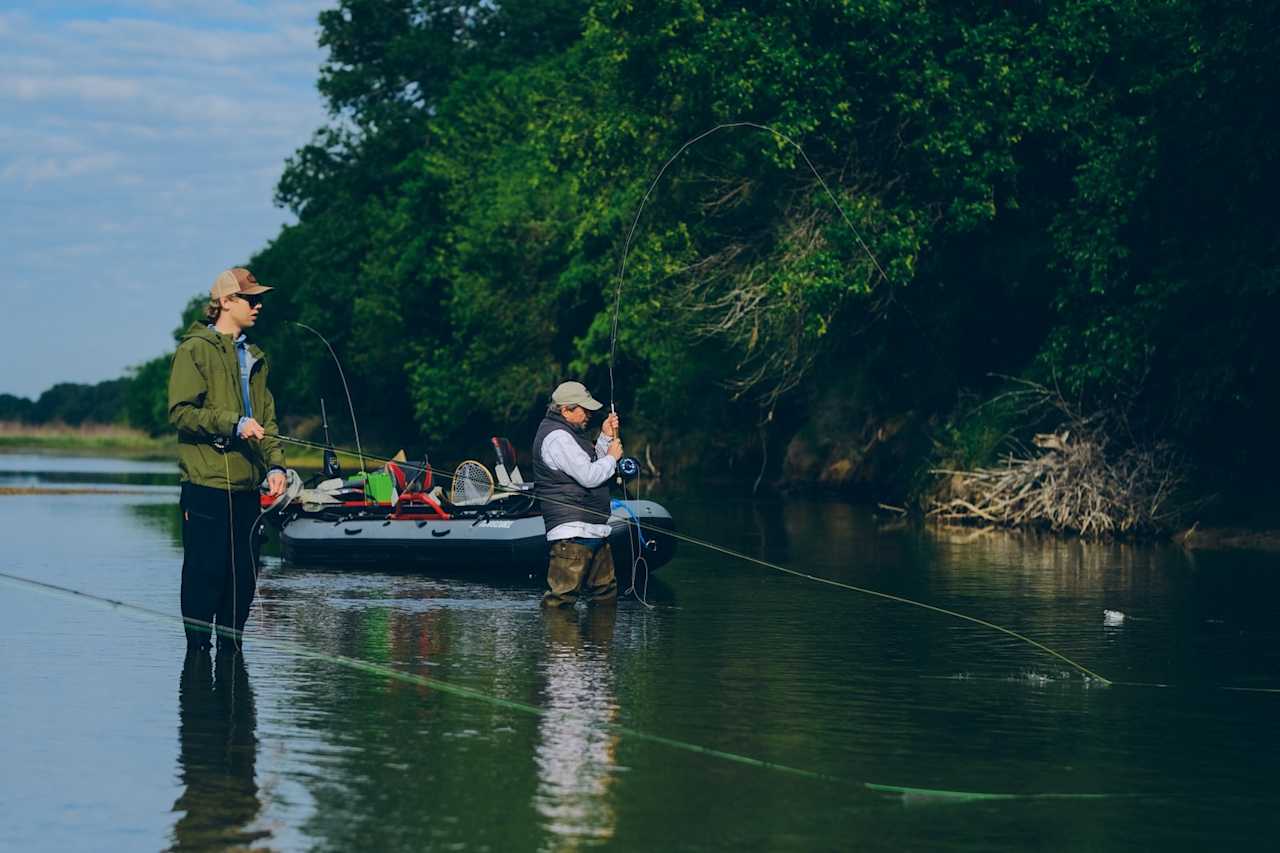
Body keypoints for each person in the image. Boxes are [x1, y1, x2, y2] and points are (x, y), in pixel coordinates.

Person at [168, 267, 286, 655]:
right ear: (225, 302)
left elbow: (267, 422)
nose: (258, 305)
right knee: (205, 578)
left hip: (247, 491)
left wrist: (276, 466)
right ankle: (198, 677)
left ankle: (234, 685)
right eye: (250, 299)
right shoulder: (194, 349)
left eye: (258, 298)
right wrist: (232, 425)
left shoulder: (255, 358)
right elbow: (181, 413)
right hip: (205, 489)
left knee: (242, 584)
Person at [531, 381, 623, 608]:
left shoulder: (569, 435)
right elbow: (589, 476)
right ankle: (560, 644)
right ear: (565, 410)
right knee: (561, 602)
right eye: (583, 409)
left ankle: (598, 645)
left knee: (605, 597)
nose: (589, 414)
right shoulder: (558, 438)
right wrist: (612, 457)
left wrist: (604, 438)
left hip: (593, 530)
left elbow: (587, 463)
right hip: (572, 535)